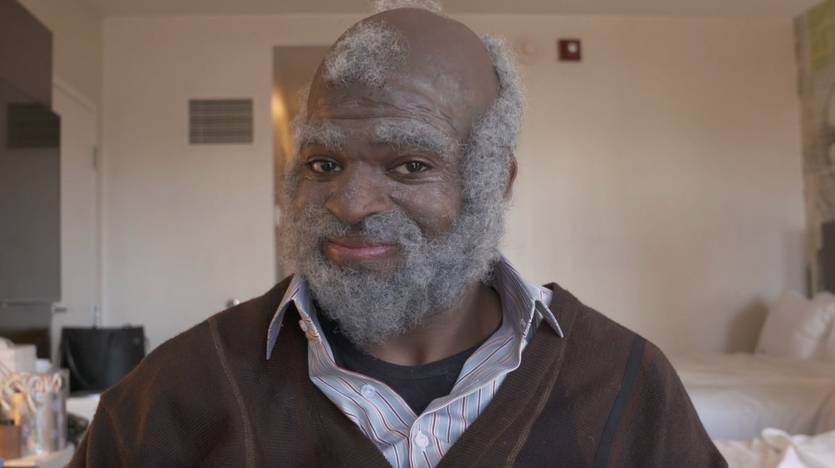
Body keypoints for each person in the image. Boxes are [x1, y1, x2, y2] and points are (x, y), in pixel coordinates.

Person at [70, 3, 726, 467]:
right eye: (323, 165)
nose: (352, 205)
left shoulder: (624, 389)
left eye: (410, 165)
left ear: (495, 179)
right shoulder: (175, 396)